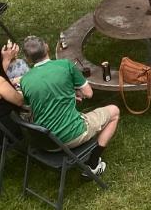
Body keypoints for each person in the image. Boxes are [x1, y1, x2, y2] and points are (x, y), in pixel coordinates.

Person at [18, 36, 116, 174]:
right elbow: (89, 93)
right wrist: (74, 91)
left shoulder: (25, 80)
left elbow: (35, 105)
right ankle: (93, 164)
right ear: (47, 47)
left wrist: (69, 94)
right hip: (71, 135)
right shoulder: (65, 65)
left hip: (45, 141)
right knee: (114, 111)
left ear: (28, 58)